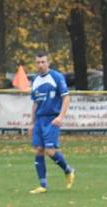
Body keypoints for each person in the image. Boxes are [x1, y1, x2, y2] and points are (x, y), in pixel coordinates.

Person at [29, 52, 75, 194]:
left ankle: (68, 170)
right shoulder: (35, 80)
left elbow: (66, 98)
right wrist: (31, 123)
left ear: (48, 63)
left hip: (52, 119)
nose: (41, 65)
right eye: (38, 62)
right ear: (35, 64)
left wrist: (60, 117)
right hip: (39, 120)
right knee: (38, 150)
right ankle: (43, 185)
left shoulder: (56, 77)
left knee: (50, 151)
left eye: (43, 62)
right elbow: (35, 103)